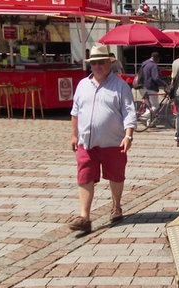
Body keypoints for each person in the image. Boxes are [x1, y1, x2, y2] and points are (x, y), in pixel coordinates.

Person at [69, 45, 137, 233]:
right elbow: (75, 112)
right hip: (87, 143)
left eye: (101, 62)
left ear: (109, 63)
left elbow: (129, 112)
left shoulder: (120, 86)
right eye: (94, 63)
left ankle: (116, 206)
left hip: (113, 142)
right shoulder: (82, 85)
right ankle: (85, 217)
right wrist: (74, 135)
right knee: (84, 176)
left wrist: (128, 135)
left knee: (116, 175)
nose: (98, 66)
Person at [141, 52, 169, 119]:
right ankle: (143, 117)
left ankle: (149, 123)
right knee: (155, 106)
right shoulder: (153, 65)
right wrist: (164, 84)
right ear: (156, 58)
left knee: (149, 106)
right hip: (151, 87)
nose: (158, 61)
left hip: (143, 86)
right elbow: (155, 78)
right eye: (158, 59)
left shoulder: (144, 64)